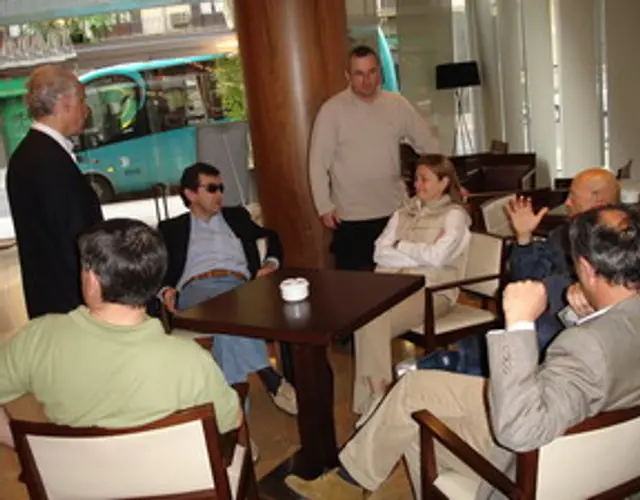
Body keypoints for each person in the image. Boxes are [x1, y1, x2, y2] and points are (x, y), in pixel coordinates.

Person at [286, 204, 640, 500]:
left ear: (588, 270)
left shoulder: (585, 347)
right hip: (594, 446)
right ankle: (349, 480)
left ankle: (348, 484)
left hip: (534, 458)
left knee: (417, 422)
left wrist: (519, 325)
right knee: (415, 388)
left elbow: (519, 431)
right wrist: (581, 315)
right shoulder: (615, 324)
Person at [0, 219, 240, 441]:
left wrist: (26, 446)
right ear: (156, 280)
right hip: (167, 474)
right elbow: (230, 422)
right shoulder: (192, 362)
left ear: (92, 280)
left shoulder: (39, 338)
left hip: (71, 474)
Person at [157, 162, 297, 417]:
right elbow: (155, 268)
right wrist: (165, 290)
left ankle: (235, 415)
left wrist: (271, 263)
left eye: (221, 188)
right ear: (190, 194)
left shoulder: (236, 217)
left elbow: (272, 236)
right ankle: (268, 375)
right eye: (212, 188)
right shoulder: (172, 229)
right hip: (197, 289)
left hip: (239, 286)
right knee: (229, 316)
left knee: (226, 328)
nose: (220, 194)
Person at [352, 154, 471, 416]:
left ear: (443, 182)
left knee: (371, 320)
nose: (417, 184)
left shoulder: (455, 216)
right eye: (416, 178)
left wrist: (400, 245)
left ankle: (376, 400)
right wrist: (420, 252)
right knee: (363, 317)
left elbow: (438, 257)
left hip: (432, 292)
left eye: (424, 179)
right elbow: (379, 252)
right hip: (393, 286)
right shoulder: (403, 211)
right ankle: (378, 397)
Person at [309, 45, 440, 272]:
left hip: (395, 211)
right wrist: (324, 205)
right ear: (348, 76)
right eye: (359, 74)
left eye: (371, 72)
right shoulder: (332, 111)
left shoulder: (397, 105)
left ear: (380, 72)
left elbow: (429, 146)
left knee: (398, 279)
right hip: (351, 216)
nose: (367, 80)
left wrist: (447, 182)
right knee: (357, 286)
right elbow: (318, 163)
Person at [6, 65, 103, 319]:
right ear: (64, 101)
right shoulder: (45, 160)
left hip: (52, 300)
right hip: (69, 305)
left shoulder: (31, 153)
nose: (86, 110)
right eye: (82, 100)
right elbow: (70, 239)